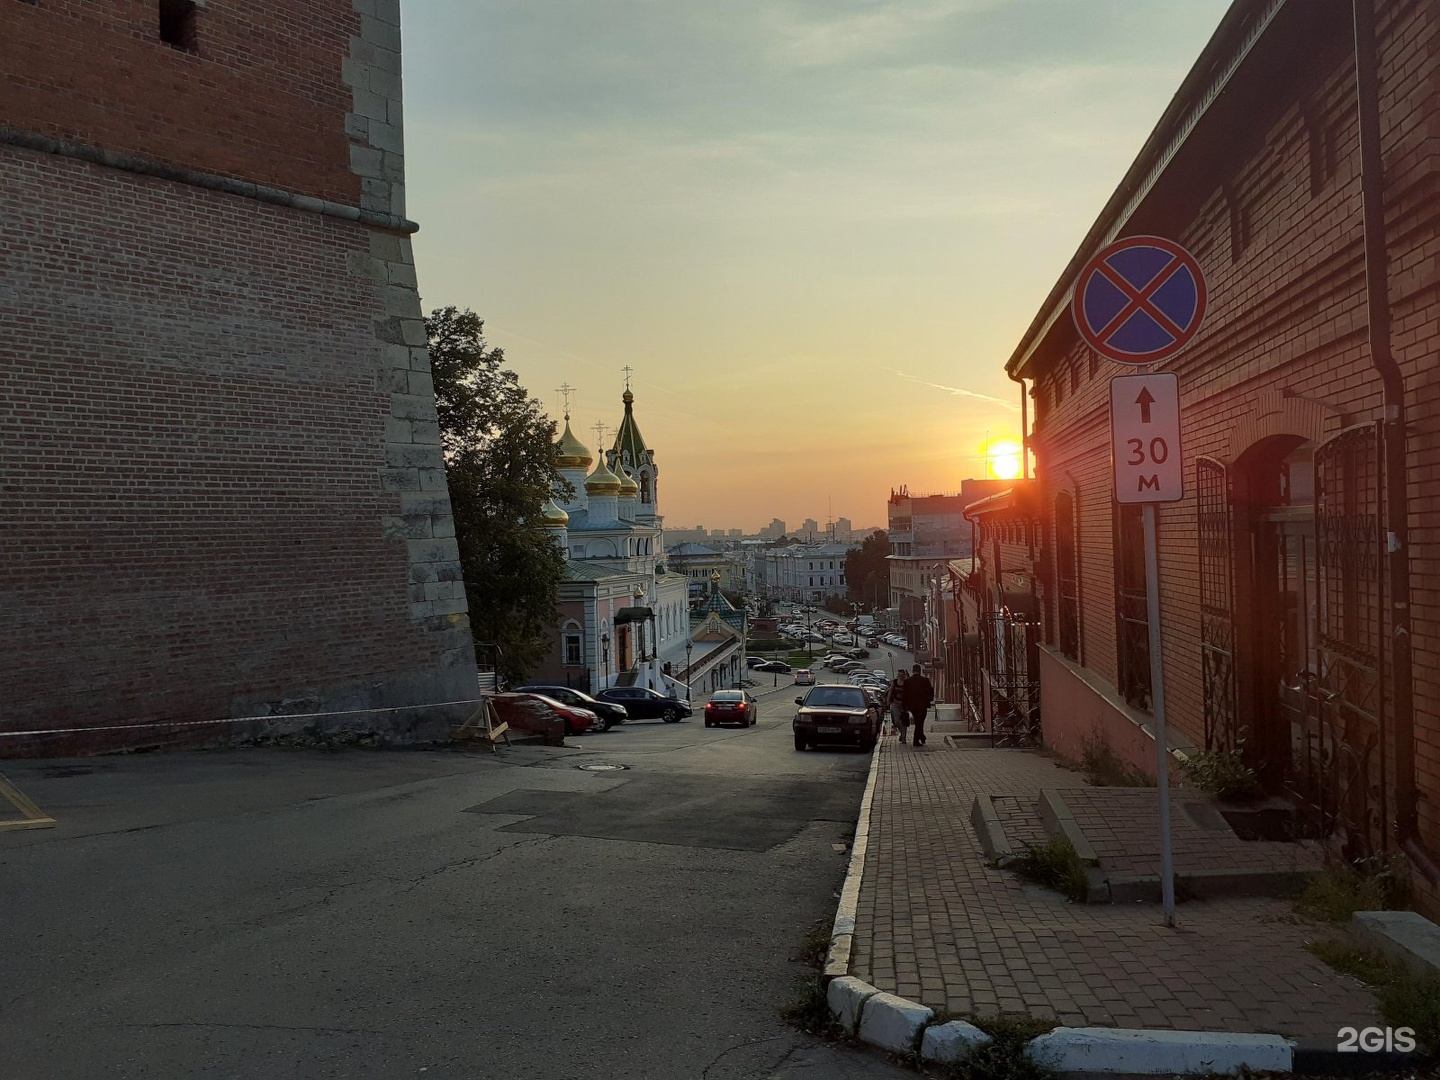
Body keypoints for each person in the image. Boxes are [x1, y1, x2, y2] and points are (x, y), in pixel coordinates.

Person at [902, 663, 935, 747]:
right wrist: (929, 700)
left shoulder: (907, 681)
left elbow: (904, 695)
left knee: (918, 722)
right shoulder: (925, 680)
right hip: (922, 706)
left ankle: (921, 737)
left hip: (912, 706)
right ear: (920, 671)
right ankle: (916, 741)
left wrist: (904, 707)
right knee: (920, 723)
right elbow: (930, 692)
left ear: (913, 671)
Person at [887, 670, 910, 742]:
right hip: (895, 704)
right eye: (898, 675)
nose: (900, 677)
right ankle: (902, 733)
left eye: (901, 675)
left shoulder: (907, 683)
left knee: (904, 720)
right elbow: (890, 691)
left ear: (904, 676)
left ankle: (903, 737)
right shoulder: (895, 682)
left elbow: (910, 694)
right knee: (896, 721)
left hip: (904, 705)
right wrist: (888, 700)